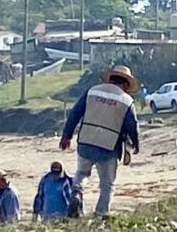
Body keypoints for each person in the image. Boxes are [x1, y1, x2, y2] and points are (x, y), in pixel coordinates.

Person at [60, 65, 140, 217]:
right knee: (107, 184)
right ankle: (101, 213)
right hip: (108, 146)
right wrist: (136, 145)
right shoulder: (126, 100)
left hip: (85, 140)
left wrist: (67, 135)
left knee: (82, 172)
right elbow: (132, 125)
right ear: (125, 84)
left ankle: (77, 191)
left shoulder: (92, 91)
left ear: (110, 78)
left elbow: (75, 113)